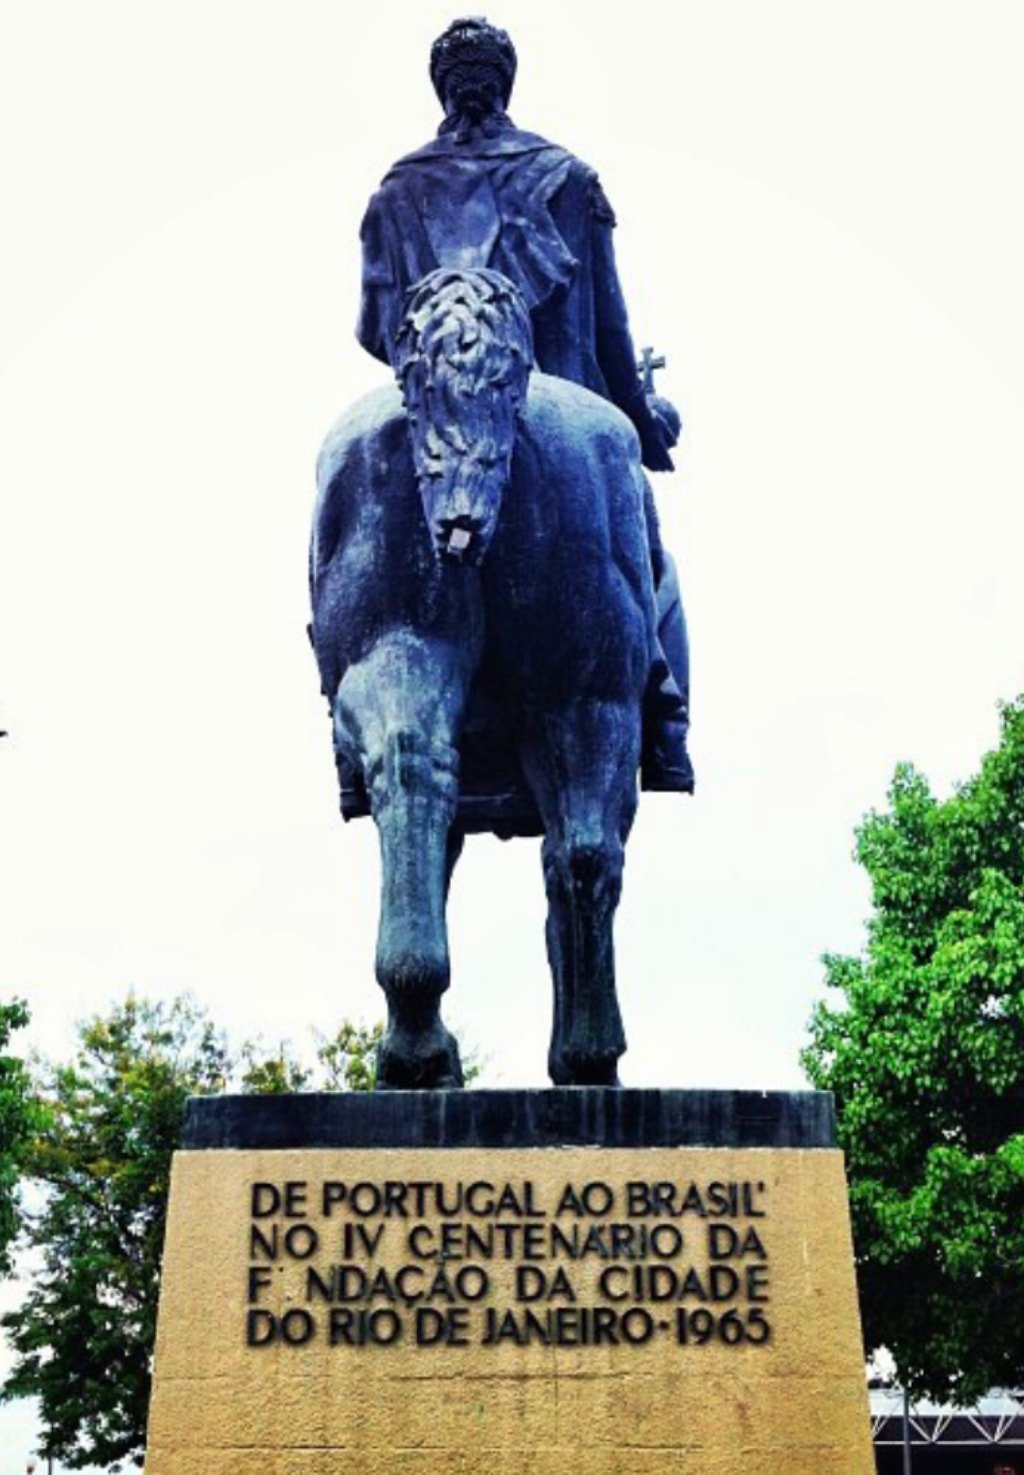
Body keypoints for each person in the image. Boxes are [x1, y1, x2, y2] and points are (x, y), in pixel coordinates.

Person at [356, 16, 692, 793]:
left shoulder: (395, 192)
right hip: (567, 399)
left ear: (443, 87)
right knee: (642, 532)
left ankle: (347, 701)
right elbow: (612, 334)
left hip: (434, 416)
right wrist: (647, 420)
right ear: (507, 83)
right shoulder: (568, 179)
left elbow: (378, 331)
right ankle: (661, 699)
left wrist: (448, 365)